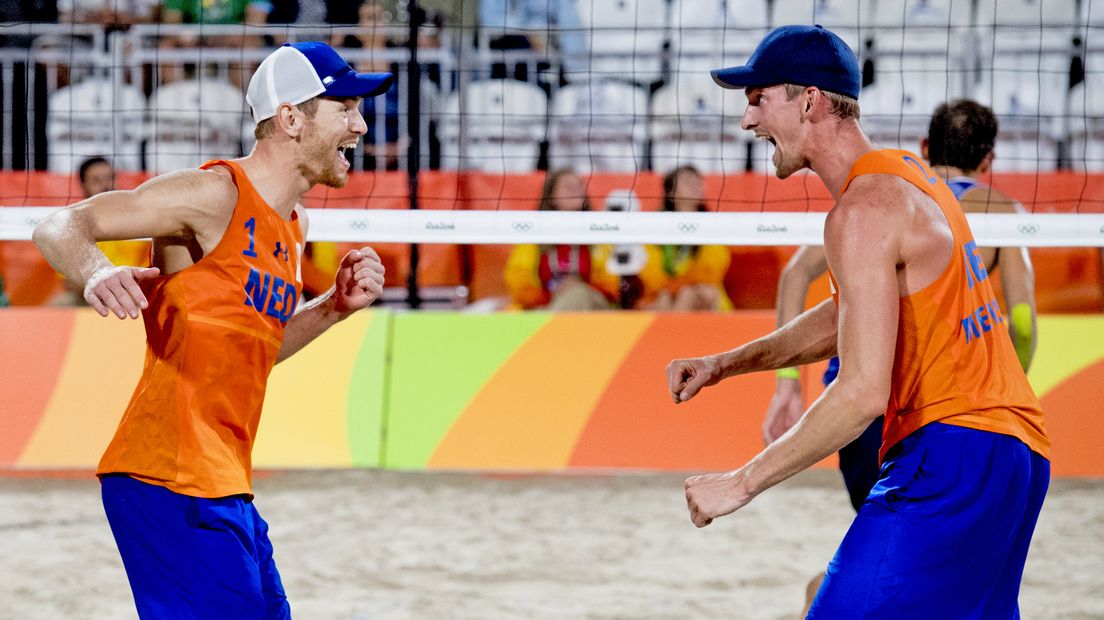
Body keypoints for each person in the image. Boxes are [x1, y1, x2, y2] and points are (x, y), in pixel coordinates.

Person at [665, 26, 1049, 617]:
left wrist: (738, 484)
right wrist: (727, 364)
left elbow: (863, 392)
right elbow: (850, 314)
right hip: (1018, 454)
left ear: (810, 101)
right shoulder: (911, 174)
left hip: (950, 452)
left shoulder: (862, 211)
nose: (747, 121)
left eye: (758, 99)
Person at [33, 42, 392, 618]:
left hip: (224, 482)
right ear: (292, 118)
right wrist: (97, 270)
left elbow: (252, 350)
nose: (361, 123)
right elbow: (59, 223)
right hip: (166, 475)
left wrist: (332, 309)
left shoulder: (293, 225)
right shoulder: (214, 194)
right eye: (345, 107)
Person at [761, 98, 1040, 612]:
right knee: (907, 576)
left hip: (855, 415)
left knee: (891, 568)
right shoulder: (998, 210)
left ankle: (821, 596)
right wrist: (996, 386)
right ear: (989, 159)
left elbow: (794, 275)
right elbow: (1022, 323)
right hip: (932, 415)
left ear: (926, 147)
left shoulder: (891, 196)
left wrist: (785, 384)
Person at [504, 169, 619, 310]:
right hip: (547, 304)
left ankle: (549, 325)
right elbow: (519, 283)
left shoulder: (599, 233)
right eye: (568, 187)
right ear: (551, 195)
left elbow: (613, 284)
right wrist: (553, 293)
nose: (575, 191)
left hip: (594, 307)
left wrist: (579, 286)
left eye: (579, 186)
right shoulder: (534, 235)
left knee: (579, 295)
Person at [52, 157, 154, 306]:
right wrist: (101, 287)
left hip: (132, 293)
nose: (106, 185)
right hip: (88, 296)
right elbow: (68, 282)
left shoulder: (136, 219)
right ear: (83, 185)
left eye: (109, 178)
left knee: (149, 301)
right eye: (96, 180)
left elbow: (150, 271)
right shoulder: (71, 225)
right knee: (60, 304)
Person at [638, 165, 733, 311]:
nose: (695, 186)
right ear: (671, 192)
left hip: (703, 295)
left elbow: (713, 271)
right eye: (688, 181)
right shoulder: (655, 226)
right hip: (664, 296)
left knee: (690, 294)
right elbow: (649, 274)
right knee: (663, 299)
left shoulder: (711, 224)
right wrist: (675, 287)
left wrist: (679, 284)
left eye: (698, 182)